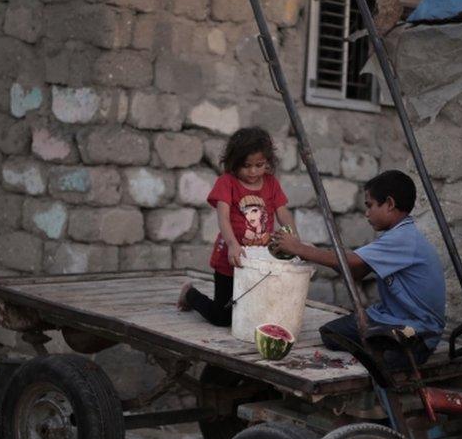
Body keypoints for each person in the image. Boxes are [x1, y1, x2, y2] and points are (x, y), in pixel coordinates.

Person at [270, 170, 446, 366]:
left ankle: (392, 348)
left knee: (388, 361)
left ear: (389, 204)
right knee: (331, 334)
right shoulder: (397, 235)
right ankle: (377, 344)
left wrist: (299, 249)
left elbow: (352, 261)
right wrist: (317, 253)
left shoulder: (404, 239)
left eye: (370, 205)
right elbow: (356, 272)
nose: (367, 213)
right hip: (390, 318)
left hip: (415, 330)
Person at [177, 127, 296, 326]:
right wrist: (233, 244)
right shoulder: (227, 182)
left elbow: (283, 211)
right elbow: (223, 217)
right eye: (246, 166)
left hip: (260, 262)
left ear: (268, 162)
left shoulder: (271, 183)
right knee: (221, 317)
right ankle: (190, 294)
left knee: (255, 311)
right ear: (233, 163)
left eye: (259, 165)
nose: (253, 171)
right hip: (230, 259)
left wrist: (293, 239)